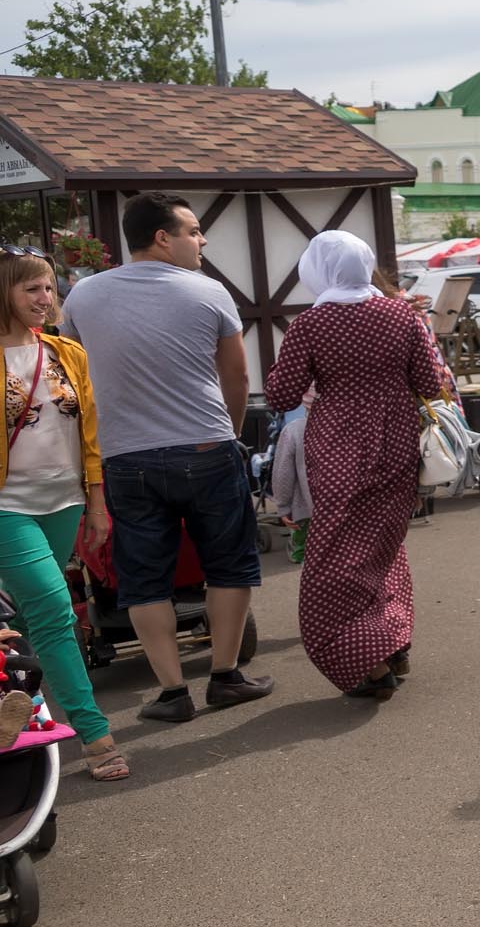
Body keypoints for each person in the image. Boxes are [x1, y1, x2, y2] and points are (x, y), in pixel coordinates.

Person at [59, 192, 273, 723]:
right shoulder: (208, 291)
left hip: (125, 457)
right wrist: (227, 428)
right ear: (163, 237)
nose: (201, 241)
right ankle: (225, 676)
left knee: (142, 578)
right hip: (205, 445)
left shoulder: (82, 296)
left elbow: (73, 379)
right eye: (194, 231)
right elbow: (238, 377)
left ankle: (172, 693)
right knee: (229, 564)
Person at [262, 232, 448, 699]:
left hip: (338, 447)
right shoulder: (400, 314)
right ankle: (389, 641)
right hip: (396, 442)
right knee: (384, 543)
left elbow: (282, 396)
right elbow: (430, 380)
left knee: (335, 556)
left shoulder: (311, 324)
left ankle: (366, 661)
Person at [0, 252, 124, 778]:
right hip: (7, 507)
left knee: (31, 617)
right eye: (31, 289)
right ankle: (96, 736)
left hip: (65, 501)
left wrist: (95, 500)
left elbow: (88, 433)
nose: (45, 299)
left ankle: (17, 695)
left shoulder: (67, 352)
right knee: (54, 612)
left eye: (50, 288)